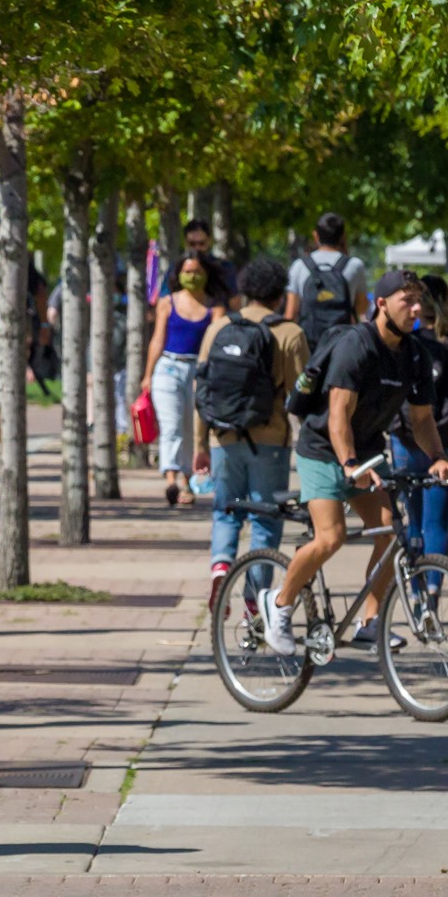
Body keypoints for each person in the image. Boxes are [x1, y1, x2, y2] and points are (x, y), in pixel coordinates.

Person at [261, 269, 448, 655]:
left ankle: (370, 624)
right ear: (381, 304)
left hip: (366, 450)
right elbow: (337, 414)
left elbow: (421, 419)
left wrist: (437, 458)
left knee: (388, 534)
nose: (416, 308)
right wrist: (349, 464)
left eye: (419, 301)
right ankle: (279, 603)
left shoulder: (415, 355)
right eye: (407, 300)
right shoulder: (358, 345)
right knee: (330, 536)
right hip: (322, 449)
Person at [192, 257, 307, 606]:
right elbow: (301, 397)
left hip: (222, 438)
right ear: (279, 293)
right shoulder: (290, 333)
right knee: (265, 521)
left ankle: (221, 568)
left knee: (225, 511)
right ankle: (254, 601)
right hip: (270, 440)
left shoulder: (218, 328)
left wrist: (200, 443)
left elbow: (203, 391)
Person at [388, 276, 448, 566]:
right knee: (437, 526)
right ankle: (432, 597)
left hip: (405, 441)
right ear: (447, 303)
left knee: (413, 522)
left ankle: (414, 599)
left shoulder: (405, 345)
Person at [138, 249, 224, 508]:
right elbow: (158, 339)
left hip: (199, 371)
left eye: (197, 271)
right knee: (172, 426)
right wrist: (148, 374)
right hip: (169, 368)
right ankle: (172, 480)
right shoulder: (168, 302)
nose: (192, 276)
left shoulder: (214, 307)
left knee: (192, 427)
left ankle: (188, 478)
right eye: (187, 271)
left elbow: (217, 341)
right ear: (178, 274)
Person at [0, 224, 51, 435]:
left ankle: (4, 424)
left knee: (8, 383)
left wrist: (43, 325)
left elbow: (40, 291)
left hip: (12, 333)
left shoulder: (20, 261)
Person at [283, 212, 368, 353]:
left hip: (309, 347)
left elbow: (291, 314)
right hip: (342, 346)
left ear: (315, 236)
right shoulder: (355, 265)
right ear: (343, 237)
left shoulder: (299, 265)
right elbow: (361, 310)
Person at [173, 218, 239, 304]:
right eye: (192, 244)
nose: (197, 248)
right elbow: (165, 299)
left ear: (209, 241)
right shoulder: (176, 268)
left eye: (201, 243)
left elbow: (235, 301)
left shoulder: (225, 267)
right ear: (185, 242)